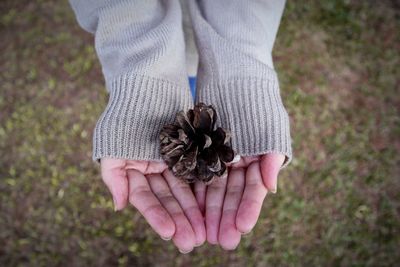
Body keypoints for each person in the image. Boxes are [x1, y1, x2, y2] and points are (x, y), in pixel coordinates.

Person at [69, 0, 292, 253]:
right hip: (153, 54)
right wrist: (142, 70)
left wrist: (241, 70)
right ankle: (179, 92)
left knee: (198, 93)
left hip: (216, 50)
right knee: (182, 95)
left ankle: (193, 94)